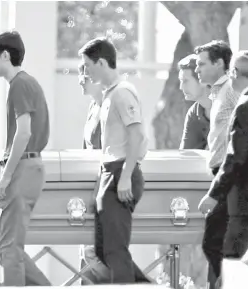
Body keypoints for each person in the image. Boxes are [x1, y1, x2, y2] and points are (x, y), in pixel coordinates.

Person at [78, 37, 148, 284]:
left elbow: (137, 135)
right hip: (110, 172)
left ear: (101, 62)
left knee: (116, 250)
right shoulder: (108, 95)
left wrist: (126, 175)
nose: (85, 72)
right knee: (103, 250)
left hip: (120, 171)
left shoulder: (122, 92)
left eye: (87, 65)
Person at [199, 50, 248, 262]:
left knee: (227, 256)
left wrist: (214, 194)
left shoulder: (245, 106)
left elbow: (236, 157)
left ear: (234, 72)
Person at [0, 30, 51, 286]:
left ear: (5, 55)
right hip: (29, 167)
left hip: (23, 168)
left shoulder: (20, 84)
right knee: (3, 244)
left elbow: (23, 134)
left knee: (9, 247)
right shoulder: (25, 83)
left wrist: (6, 176)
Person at [194, 40, 239, 288]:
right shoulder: (218, 92)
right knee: (217, 241)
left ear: (220, 63)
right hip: (220, 172)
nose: (197, 69)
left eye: (202, 64)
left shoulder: (232, 90)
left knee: (214, 241)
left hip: (228, 174)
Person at [178, 54, 212, 150]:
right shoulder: (194, 113)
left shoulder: (227, 107)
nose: (181, 87)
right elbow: (186, 155)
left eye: (185, 81)